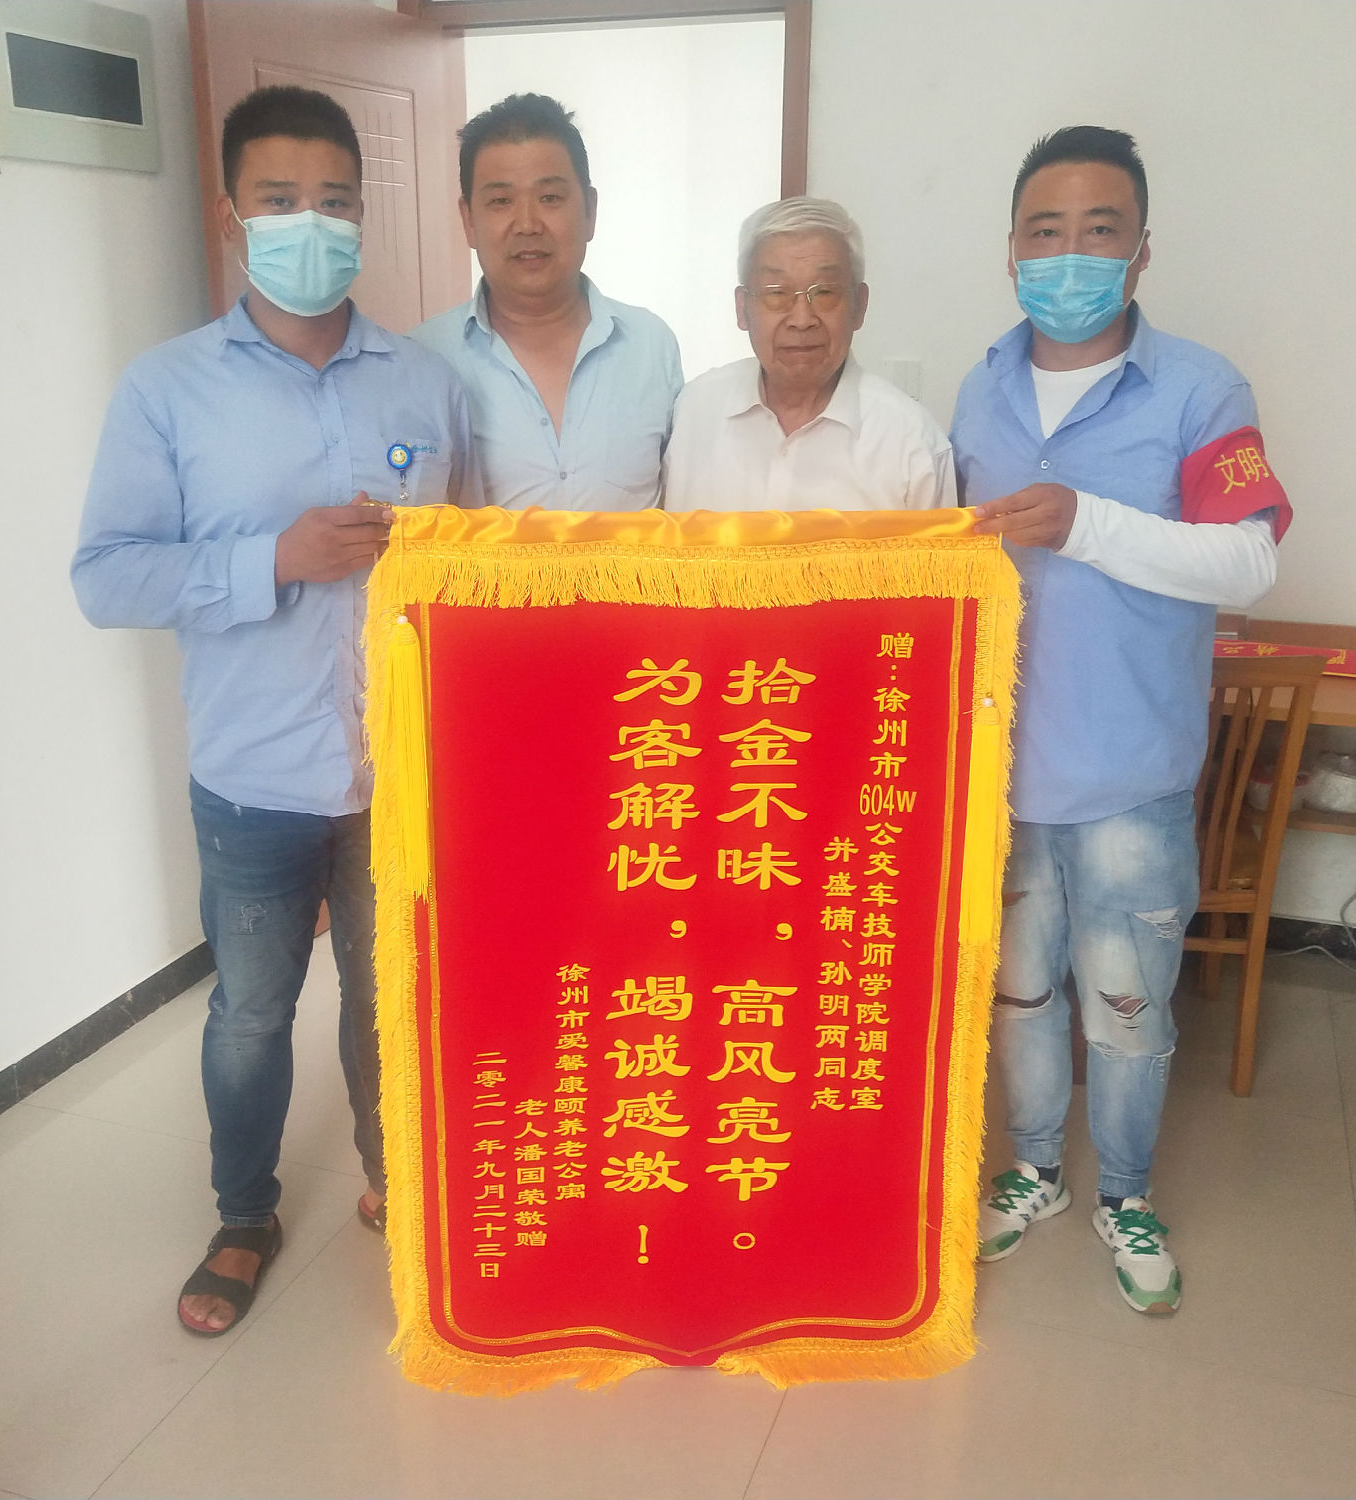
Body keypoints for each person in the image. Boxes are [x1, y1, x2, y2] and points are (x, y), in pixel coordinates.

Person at [71, 85, 479, 1337]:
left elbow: (469, 564)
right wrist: (272, 560)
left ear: (365, 214)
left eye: (335, 202)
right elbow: (107, 577)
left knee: (388, 996)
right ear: (231, 214)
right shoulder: (167, 389)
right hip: (253, 775)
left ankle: (392, 1175)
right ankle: (242, 1214)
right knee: (250, 1012)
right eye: (281, 199)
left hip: (395, 771)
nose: (313, 223)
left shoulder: (424, 383)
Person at [953, 127, 1291, 1314]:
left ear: (1140, 251)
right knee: (1020, 997)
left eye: (1097, 232)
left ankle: (1126, 1194)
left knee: (1125, 1009)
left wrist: (1084, 522)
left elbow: (1247, 561)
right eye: (1043, 232)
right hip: (999, 771)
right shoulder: (980, 387)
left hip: (1129, 775)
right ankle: (1034, 1172)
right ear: (1009, 249)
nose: (1068, 256)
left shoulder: (1199, 389)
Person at [411, 93, 681, 510]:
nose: (527, 224)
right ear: (468, 220)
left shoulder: (651, 346)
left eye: (550, 198)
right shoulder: (422, 360)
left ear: (590, 211)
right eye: (501, 201)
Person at [662, 197, 954, 512]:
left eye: (824, 292)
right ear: (742, 308)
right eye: (776, 293)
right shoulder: (694, 411)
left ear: (860, 306)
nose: (802, 319)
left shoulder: (913, 443)